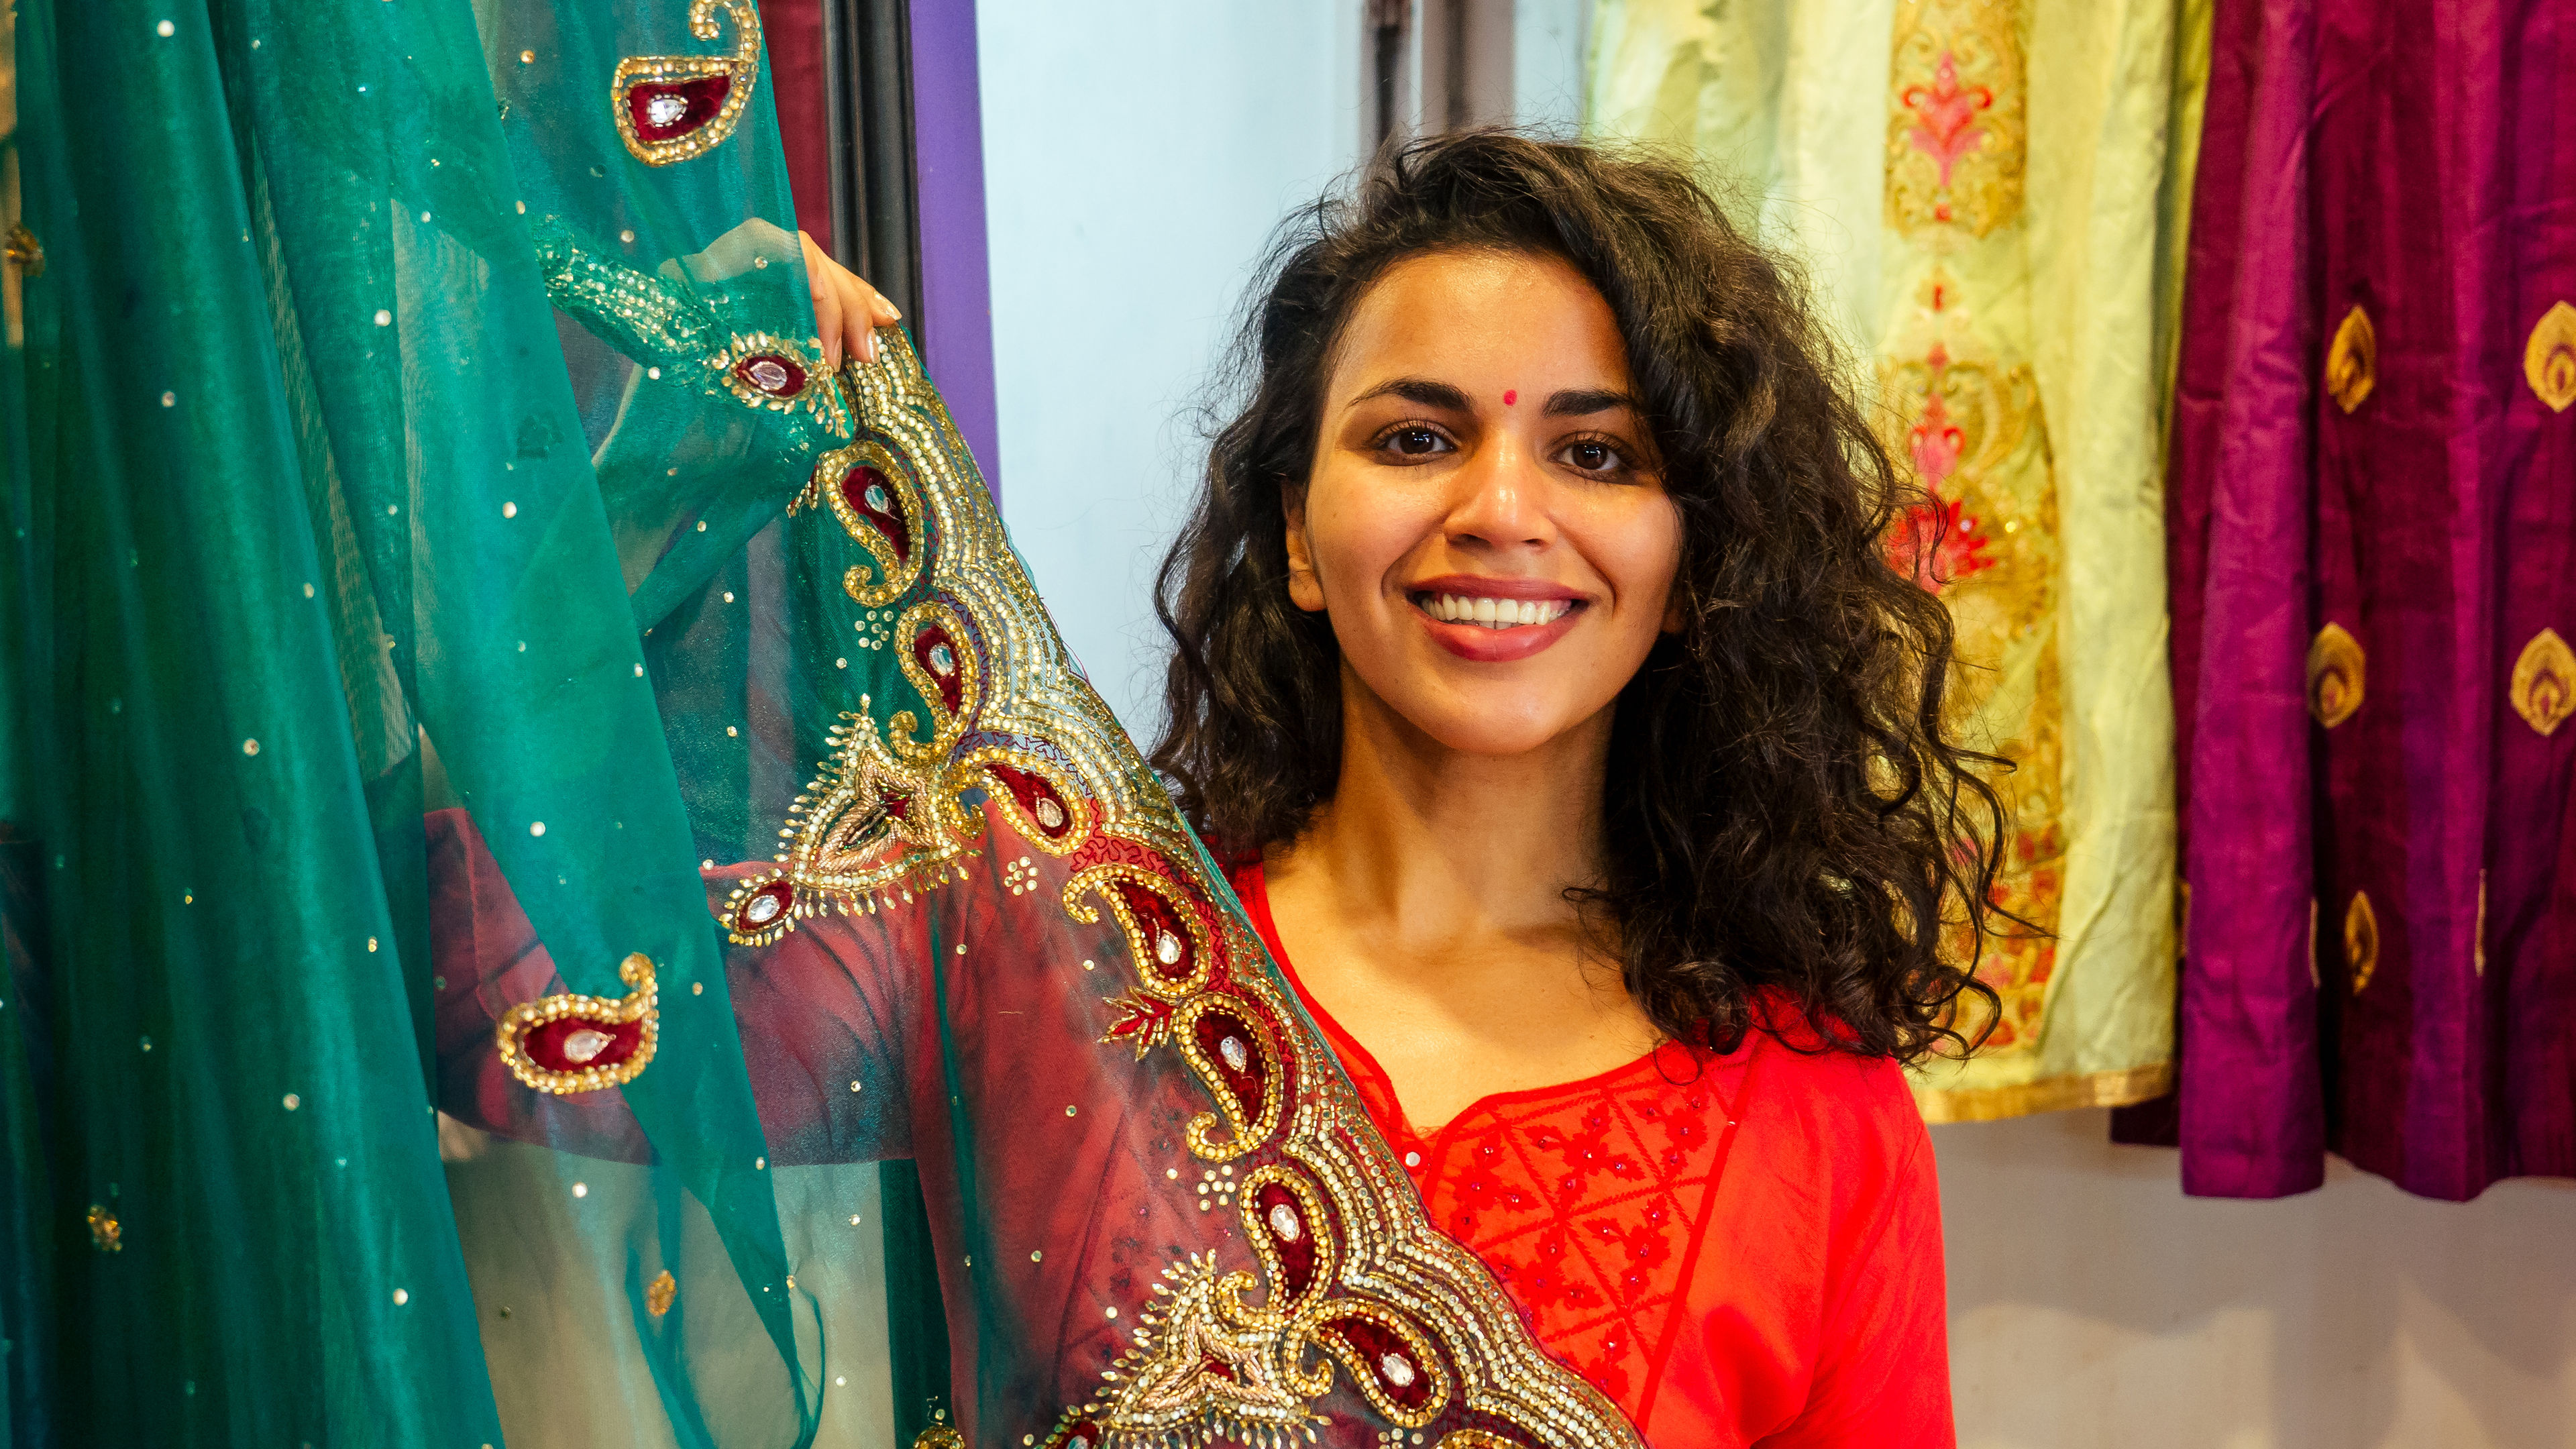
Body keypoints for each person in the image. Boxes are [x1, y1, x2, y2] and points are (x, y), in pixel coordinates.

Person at [771, 133, 1995, 1446]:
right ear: (1296, 534)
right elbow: (551, 1010)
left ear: (1698, 564)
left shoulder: (1818, 1121)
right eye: (1418, 437)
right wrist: (642, 400)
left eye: (1597, 455)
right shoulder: (1061, 958)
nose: (1502, 509)